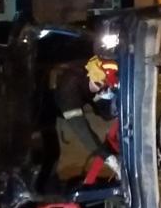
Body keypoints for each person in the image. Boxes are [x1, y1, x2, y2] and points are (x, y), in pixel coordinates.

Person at [34, 55, 120, 193]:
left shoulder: (92, 70)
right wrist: (107, 157)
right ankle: (43, 192)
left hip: (69, 91)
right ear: (96, 81)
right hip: (43, 111)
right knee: (52, 153)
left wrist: (111, 105)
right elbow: (82, 130)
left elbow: (103, 112)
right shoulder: (68, 91)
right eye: (102, 87)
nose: (102, 90)